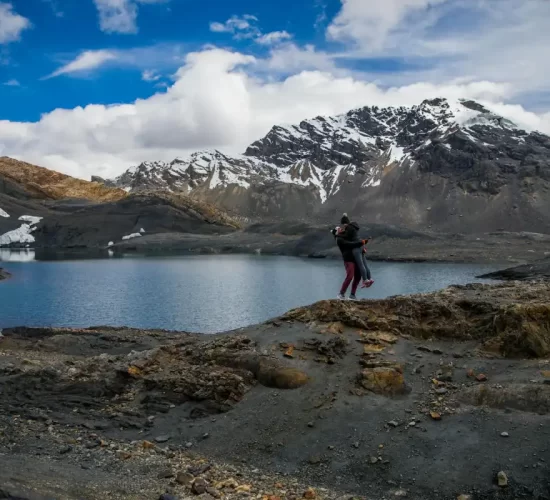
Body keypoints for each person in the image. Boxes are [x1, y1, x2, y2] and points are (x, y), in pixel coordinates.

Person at [333, 214, 374, 290]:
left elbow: (349, 240)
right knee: (363, 266)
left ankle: (365, 280)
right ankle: (369, 279)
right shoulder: (351, 229)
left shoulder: (346, 230)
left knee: (361, 266)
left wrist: (361, 243)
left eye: (342, 226)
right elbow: (349, 241)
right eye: (339, 228)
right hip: (355, 252)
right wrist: (362, 242)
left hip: (355, 251)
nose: (342, 228)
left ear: (344, 223)